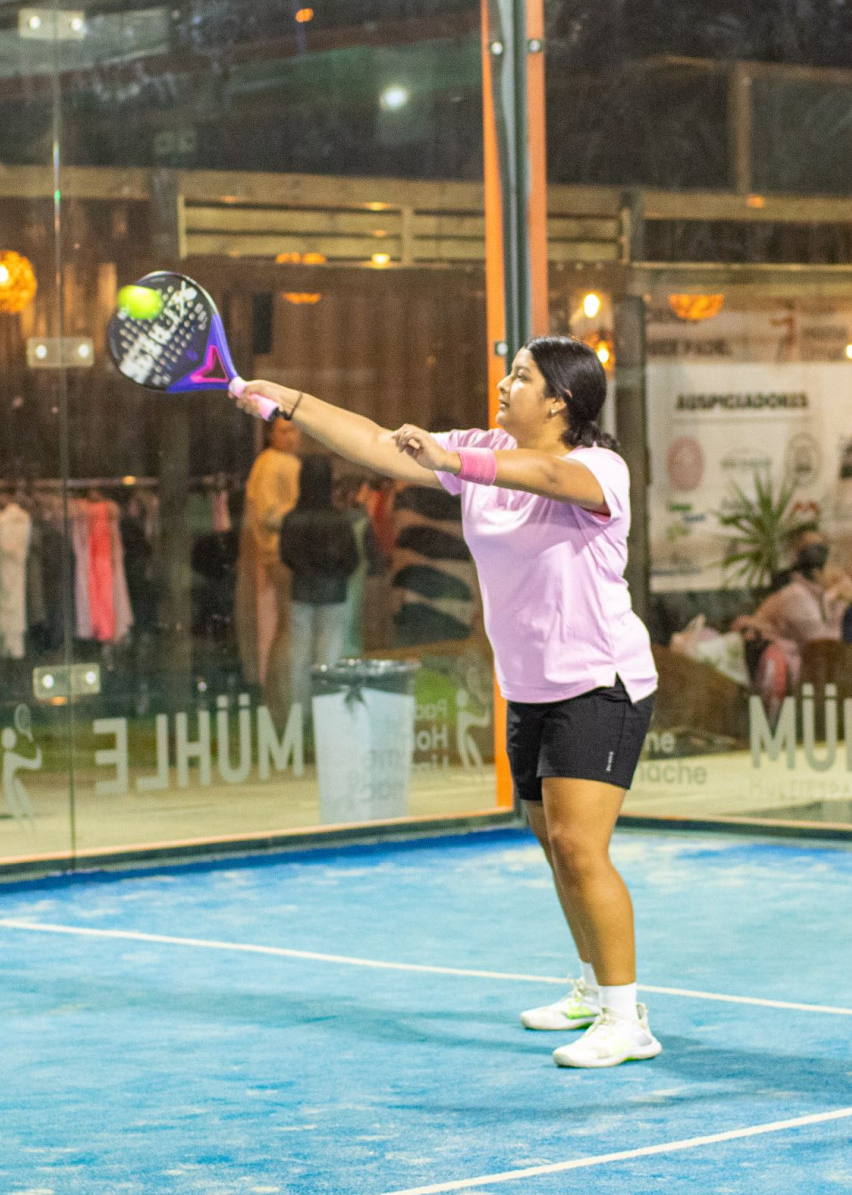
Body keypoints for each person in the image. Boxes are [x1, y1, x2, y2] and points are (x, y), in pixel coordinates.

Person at [231, 337, 663, 1069]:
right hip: (529, 685)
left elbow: (550, 475)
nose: (504, 383)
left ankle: (628, 1021)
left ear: (558, 400)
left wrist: (454, 461)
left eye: (520, 376)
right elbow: (375, 443)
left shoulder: (599, 467)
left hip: (599, 681)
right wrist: (289, 401)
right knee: (554, 846)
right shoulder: (483, 451)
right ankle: (594, 991)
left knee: (579, 847)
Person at [278, 456, 362, 717]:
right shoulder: (339, 520)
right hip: (334, 593)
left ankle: (300, 714)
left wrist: (307, 570)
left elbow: (286, 556)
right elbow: (352, 560)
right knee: (329, 656)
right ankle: (327, 713)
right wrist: (333, 572)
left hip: (302, 592)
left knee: (299, 657)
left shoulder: (293, 518)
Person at [733, 541, 852, 700]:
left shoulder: (812, 593)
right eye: (833, 566)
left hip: (793, 664)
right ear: (817, 573)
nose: (839, 573)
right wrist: (841, 602)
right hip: (778, 670)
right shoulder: (797, 597)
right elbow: (822, 644)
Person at [237, 416, 302, 700]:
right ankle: (278, 688)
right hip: (278, 555)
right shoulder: (271, 464)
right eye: (283, 431)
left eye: (293, 430)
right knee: (285, 624)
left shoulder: (283, 462)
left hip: (284, 555)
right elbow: (267, 515)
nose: (290, 436)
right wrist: (300, 515)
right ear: (271, 435)